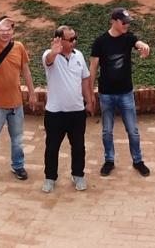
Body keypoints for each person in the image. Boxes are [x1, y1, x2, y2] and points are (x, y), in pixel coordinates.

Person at [89, 7, 152, 177]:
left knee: (133, 130)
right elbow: (93, 68)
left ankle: (138, 160)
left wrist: (143, 46)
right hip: (106, 94)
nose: (126, 25)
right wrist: (90, 93)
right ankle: (109, 160)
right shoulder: (100, 42)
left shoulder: (128, 38)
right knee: (107, 131)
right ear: (113, 21)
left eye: (128, 22)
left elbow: (138, 43)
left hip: (126, 93)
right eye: (123, 22)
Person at [0, 15, 37, 185]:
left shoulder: (19, 47)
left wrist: (32, 93)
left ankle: (18, 166)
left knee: (17, 139)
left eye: (8, 29)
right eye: (2, 30)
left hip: (16, 103)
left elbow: (26, 71)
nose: (5, 33)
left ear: (13, 31)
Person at [41, 25, 95, 193]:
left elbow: (85, 79)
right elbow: (48, 60)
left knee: (78, 146)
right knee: (52, 147)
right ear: (59, 40)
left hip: (77, 111)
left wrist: (89, 100)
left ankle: (78, 175)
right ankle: (50, 178)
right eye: (71, 39)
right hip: (55, 112)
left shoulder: (78, 55)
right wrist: (54, 51)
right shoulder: (50, 56)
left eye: (75, 37)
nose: (74, 41)